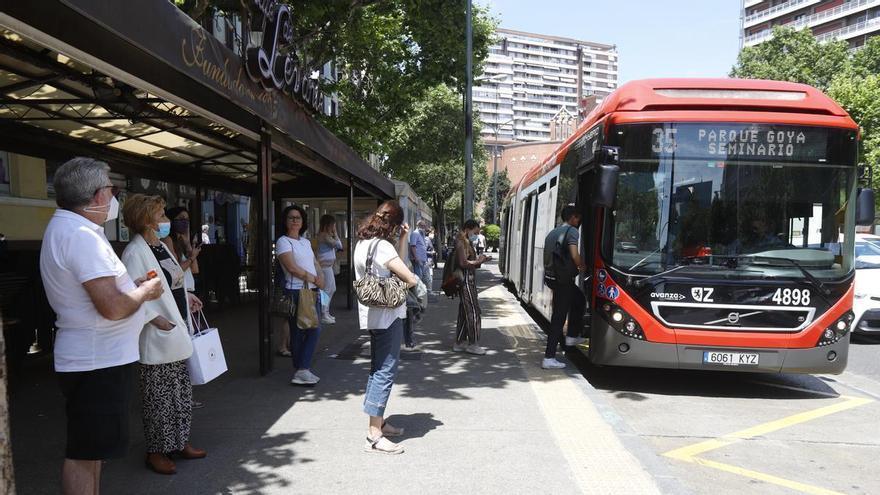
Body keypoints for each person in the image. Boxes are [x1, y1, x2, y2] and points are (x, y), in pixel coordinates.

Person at [39, 157, 164, 494]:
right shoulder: (81, 235)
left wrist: (130, 288)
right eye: (112, 189)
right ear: (96, 196)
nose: (114, 197)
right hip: (97, 361)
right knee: (85, 452)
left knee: (93, 451)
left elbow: (102, 294)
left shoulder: (73, 229)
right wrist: (144, 291)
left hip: (97, 358)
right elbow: (111, 307)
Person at [121, 194, 207, 474]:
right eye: (161, 215)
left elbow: (174, 281)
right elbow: (132, 293)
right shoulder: (134, 252)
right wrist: (156, 320)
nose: (166, 220)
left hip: (177, 326)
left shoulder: (160, 245)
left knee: (180, 393)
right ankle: (156, 450)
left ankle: (180, 442)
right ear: (145, 219)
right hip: (159, 333)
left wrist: (188, 297)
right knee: (158, 398)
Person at [354, 200, 420, 454]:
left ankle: (378, 421)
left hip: (372, 314)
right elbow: (408, 276)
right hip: (388, 316)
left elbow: (395, 262)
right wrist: (410, 283)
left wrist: (402, 239)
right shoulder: (382, 247)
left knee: (377, 368)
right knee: (385, 371)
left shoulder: (363, 245)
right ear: (392, 224)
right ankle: (374, 433)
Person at [276, 205, 325, 386]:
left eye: (298, 217)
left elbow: (314, 262)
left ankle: (301, 369)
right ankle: (302, 369)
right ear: (285, 221)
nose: (295, 220)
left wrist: (320, 278)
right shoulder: (283, 242)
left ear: (303, 221)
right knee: (302, 331)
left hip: (311, 290)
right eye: (291, 217)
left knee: (312, 329)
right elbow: (291, 268)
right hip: (295, 291)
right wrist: (314, 278)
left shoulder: (304, 242)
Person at [162, 206, 205, 410]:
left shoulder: (182, 241)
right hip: (179, 292)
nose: (184, 222)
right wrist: (190, 257)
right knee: (185, 341)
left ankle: (187, 392)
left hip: (189, 289)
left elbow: (194, 270)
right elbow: (176, 271)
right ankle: (182, 395)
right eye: (180, 219)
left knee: (191, 339)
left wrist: (189, 246)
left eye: (187, 219)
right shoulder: (167, 241)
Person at [542, 205, 587, 370]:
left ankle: (572, 336)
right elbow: (574, 254)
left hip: (552, 277)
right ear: (573, 217)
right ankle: (549, 357)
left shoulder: (553, 232)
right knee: (559, 318)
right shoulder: (572, 231)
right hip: (563, 280)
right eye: (578, 218)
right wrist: (582, 266)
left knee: (579, 299)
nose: (579, 221)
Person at [453, 219, 490, 355]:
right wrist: (479, 261)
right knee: (474, 311)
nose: (477, 234)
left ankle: (459, 341)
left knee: (464, 311)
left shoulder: (465, 240)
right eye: (476, 231)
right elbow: (463, 262)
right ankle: (473, 343)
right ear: (468, 228)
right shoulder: (461, 241)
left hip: (468, 280)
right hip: (466, 281)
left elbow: (468, 262)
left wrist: (480, 261)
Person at [316, 214, 343, 324]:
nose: (333, 227)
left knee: (331, 289)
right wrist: (335, 233)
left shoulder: (326, 235)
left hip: (328, 267)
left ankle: (325, 312)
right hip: (324, 267)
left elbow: (339, 245)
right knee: (327, 290)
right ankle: (323, 313)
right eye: (333, 225)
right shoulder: (324, 235)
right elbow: (338, 245)